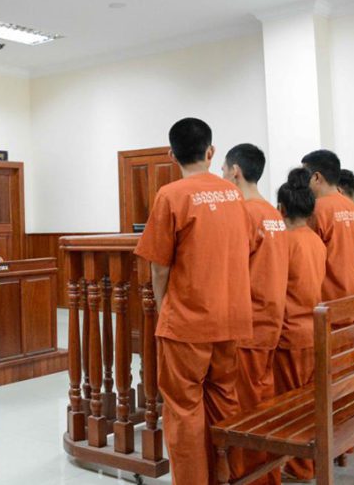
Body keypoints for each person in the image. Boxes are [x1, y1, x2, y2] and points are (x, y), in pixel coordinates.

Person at [134, 118, 251, 485]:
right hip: (230, 316)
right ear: (211, 151)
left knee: (184, 409)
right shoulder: (235, 194)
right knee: (223, 400)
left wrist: (164, 307)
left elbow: (158, 266)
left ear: (172, 155)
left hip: (187, 322)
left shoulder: (171, 195)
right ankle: (225, 476)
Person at [222, 143, 288, 485]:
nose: (222, 175)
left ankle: (253, 477)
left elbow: (231, 268)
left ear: (235, 171)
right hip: (272, 320)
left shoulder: (244, 212)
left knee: (246, 410)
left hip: (249, 324)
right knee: (265, 402)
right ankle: (270, 473)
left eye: (223, 169)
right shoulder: (274, 214)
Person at [274, 168, 327, 481]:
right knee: (308, 402)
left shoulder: (283, 243)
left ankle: (298, 467)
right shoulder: (316, 241)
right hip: (312, 331)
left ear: (281, 208)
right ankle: (309, 462)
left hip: (290, 333)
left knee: (290, 406)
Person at [301, 150, 354, 301]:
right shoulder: (351, 206)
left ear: (316, 177)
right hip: (351, 290)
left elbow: (307, 255)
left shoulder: (316, 209)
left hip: (328, 294)